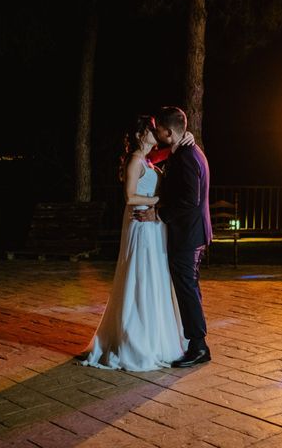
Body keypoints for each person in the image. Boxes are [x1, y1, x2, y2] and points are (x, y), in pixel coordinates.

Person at [81, 116, 194, 371]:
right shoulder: (134, 159)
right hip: (141, 224)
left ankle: (156, 335)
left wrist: (189, 138)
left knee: (155, 276)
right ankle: (135, 339)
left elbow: (173, 148)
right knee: (140, 275)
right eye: (151, 129)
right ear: (141, 134)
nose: (156, 131)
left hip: (154, 226)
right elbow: (130, 197)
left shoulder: (149, 160)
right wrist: (160, 200)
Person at [135, 106, 212, 368]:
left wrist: (158, 214)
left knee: (187, 287)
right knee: (189, 286)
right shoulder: (183, 150)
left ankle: (199, 346)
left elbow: (190, 200)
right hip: (191, 232)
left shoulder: (187, 156)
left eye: (158, 130)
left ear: (169, 132)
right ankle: (196, 341)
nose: (156, 134)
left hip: (188, 233)